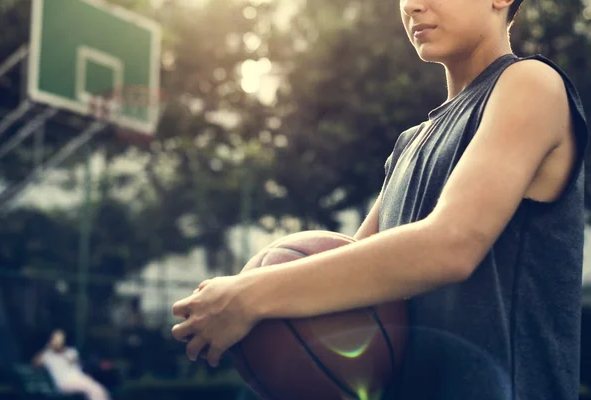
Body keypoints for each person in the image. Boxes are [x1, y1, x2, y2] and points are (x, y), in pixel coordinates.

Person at [171, 0, 588, 399]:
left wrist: (249, 294)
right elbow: (359, 285)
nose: (411, 5)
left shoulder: (531, 84)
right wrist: (249, 318)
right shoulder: (410, 144)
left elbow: (452, 246)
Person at [33, 330, 111, 400]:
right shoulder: (47, 354)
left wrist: (66, 356)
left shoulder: (71, 352)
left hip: (79, 379)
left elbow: (77, 365)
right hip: (64, 383)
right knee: (94, 390)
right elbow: (35, 364)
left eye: (60, 338)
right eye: (56, 338)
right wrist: (47, 348)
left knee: (99, 390)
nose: (58, 341)